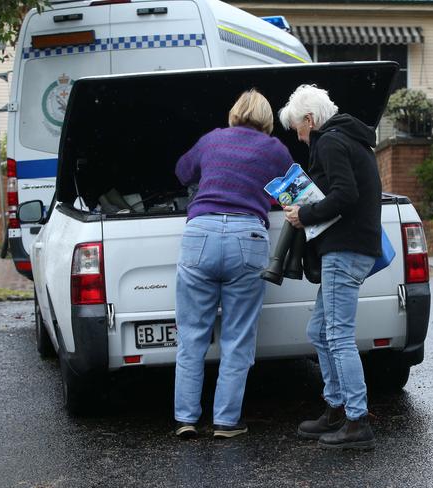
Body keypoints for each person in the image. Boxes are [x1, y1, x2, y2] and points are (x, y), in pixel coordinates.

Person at [174, 89, 293, 439]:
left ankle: (185, 418)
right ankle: (226, 422)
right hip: (248, 237)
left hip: (201, 233)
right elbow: (296, 194)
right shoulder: (275, 150)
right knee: (238, 337)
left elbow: (182, 172)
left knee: (192, 336)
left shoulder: (212, 139)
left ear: (235, 112)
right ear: (268, 120)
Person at [279, 84, 382, 450]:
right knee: (320, 331)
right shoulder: (351, 139)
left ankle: (357, 421)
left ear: (310, 119)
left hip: (345, 248)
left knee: (337, 335)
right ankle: (335, 409)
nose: (299, 136)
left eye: (298, 128)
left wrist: (303, 214)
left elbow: (344, 194)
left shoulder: (331, 141)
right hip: (352, 247)